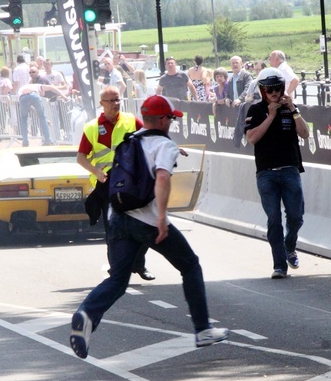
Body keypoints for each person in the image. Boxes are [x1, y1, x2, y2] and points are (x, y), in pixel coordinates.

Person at [69, 94, 229, 359]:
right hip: (147, 220)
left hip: (118, 216)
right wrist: (161, 217)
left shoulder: (129, 140)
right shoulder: (164, 145)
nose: (172, 124)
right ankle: (202, 329)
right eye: (171, 119)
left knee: (118, 280)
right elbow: (163, 177)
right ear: (164, 120)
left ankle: (86, 314)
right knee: (190, 265)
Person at [77, 85, 155, 281]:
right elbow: (81, 157)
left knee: (145, 226)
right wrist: (96, 171)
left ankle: (139, 265)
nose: (115, 104)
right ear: (101, 104)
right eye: (111, 101)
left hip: (132, 184)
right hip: (107, 187)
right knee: (113, 231)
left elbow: (151, 138)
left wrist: (170, 147)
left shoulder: (131, 121)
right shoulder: (92, 128)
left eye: (118, 99)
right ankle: (117, 270)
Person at [244, 67, 309, 279]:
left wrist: (293, 109)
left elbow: (305, 134)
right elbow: (252, 138)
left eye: (277, 89)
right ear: (263, 91)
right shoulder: (255, 110)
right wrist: (270, 115)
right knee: (274, 219)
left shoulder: (291, 107)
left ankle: (290, 246)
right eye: (269, 89)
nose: (274, 93)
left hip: (290, 169)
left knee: (296, 216)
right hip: (266, 173)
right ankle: (279, 265)